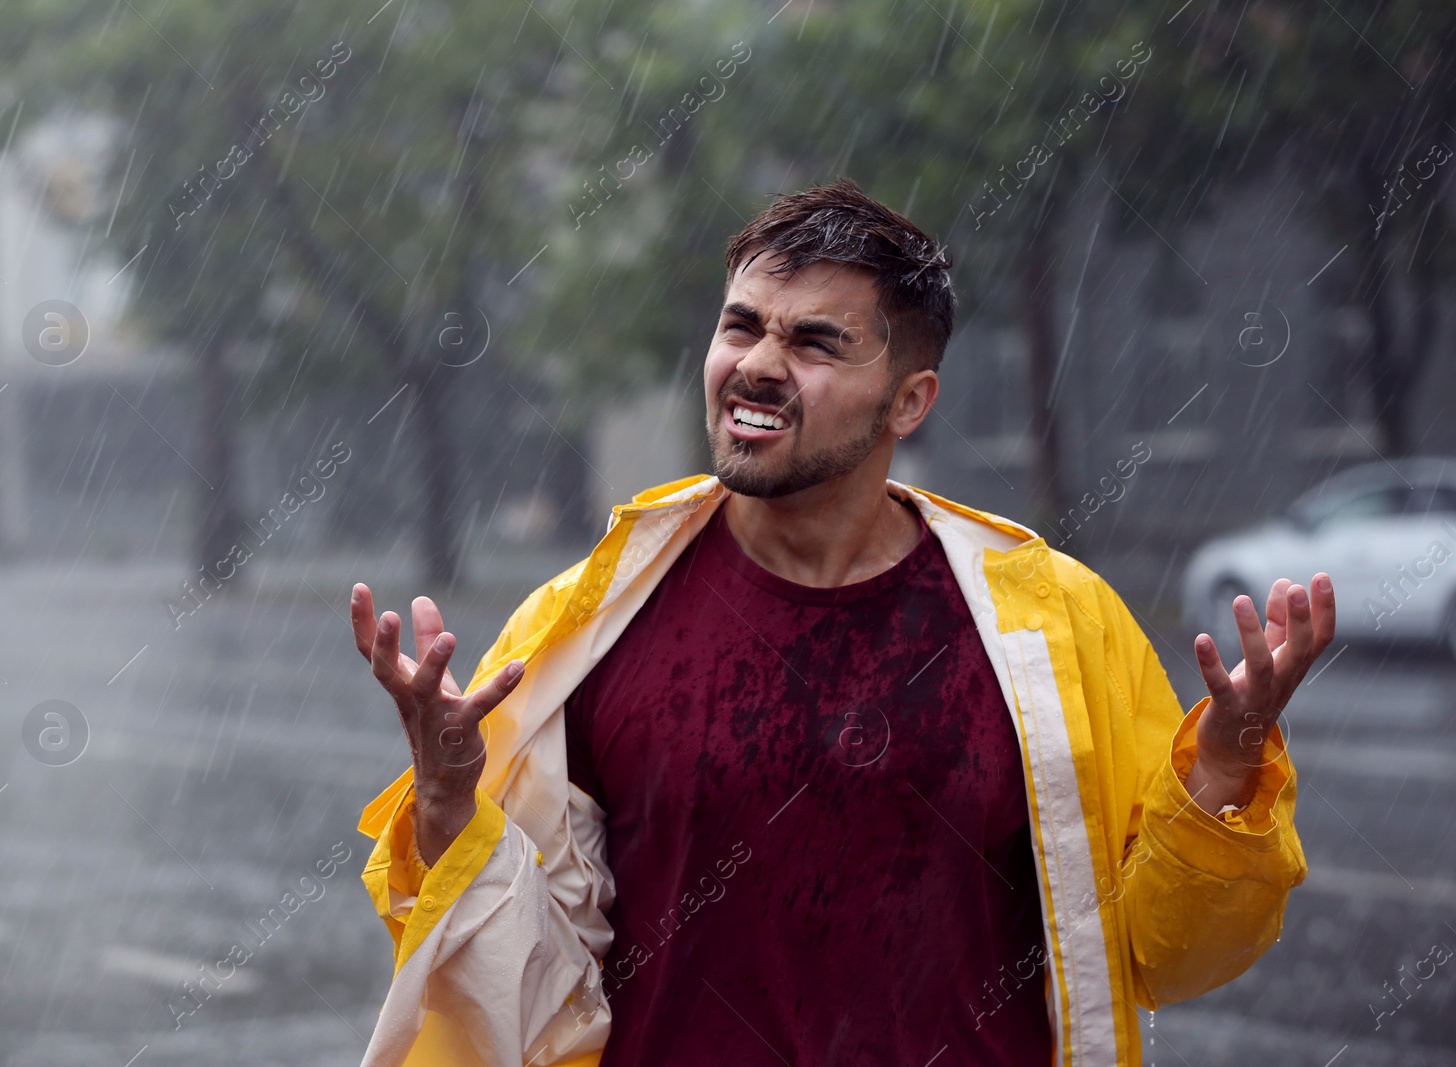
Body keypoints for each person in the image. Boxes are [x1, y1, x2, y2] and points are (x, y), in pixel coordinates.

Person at [345, 177, 1332, 1067]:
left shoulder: (1053, 623)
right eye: (742, 326)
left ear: (910, 400)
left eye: (815, 341)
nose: (759, 365)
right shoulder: (584, 625)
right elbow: (520, 991)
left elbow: (1167, 950)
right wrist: (445, 802)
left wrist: (1225, 766)